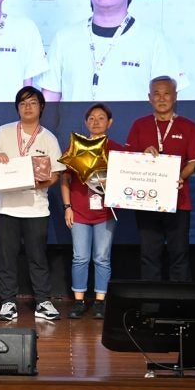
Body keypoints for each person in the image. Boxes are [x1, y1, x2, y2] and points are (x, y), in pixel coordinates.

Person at [41, 0, 187, 102]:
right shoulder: (64, 38)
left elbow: (168, 102)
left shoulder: (153, 40)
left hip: (133, 127)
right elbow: (50, 100)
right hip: (75, 127)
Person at [0, 86, 64, 321]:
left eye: (33, 103)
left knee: (37, 257)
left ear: (41, 107)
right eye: (23, 103)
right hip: (6, 207)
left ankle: (43, 302)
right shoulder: (4, 132)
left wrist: (38, 183)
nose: (28, 107)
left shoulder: (48, 137)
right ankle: (8, 302)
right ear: (17, 107)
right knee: (6, 258)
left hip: (36, 208)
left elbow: (56, 174)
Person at [124, 76, 195, 281]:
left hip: (179, 200)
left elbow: (192, 163)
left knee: (179, 255)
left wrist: (177, 176)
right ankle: (150, 306)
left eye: (166, 93)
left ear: (175, 96)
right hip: (147, 202)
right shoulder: (139, 125)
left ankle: (179, 304)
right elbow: (128, 161)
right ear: (149, 98)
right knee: (149, 256)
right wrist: (142, 156)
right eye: (156, 94)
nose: (161, 98)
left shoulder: (189, 126)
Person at [60, 103, 121, 319]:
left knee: (102, 258)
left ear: (109, 122)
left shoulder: (116, 149)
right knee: (80, 258)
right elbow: (65, 178)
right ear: (86, 122)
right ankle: (78, 302)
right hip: (79, 212)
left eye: (101, 118)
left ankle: (100, 302)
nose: (96, 122)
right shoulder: (76, 147)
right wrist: (67, 207)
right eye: (92, 118)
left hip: (105, 213)